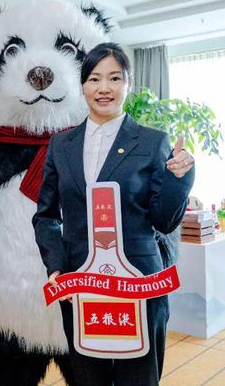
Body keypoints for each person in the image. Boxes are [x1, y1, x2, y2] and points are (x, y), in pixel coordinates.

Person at [33, 42, 195, 385]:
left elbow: (164, 221)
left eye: (114, 78)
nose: (103, 88)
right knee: (87, 377)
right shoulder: (61, 145)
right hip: (80, 282)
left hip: (138, 281)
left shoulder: (152, 142)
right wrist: (56, 266)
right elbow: (46, 216)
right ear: (82, 86)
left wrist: (179, 179)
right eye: (94, 79)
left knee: (138, 377)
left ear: (128, 84)